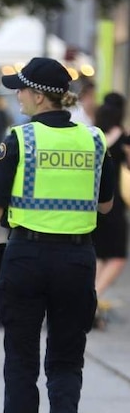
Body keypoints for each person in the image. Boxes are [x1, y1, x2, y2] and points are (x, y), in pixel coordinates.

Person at [0, 57, 114, 413]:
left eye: (22, 89)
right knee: (66, 361)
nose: (17, 96)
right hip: (76, 261)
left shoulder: (20, 140)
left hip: (27, 258)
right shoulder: (93, 139)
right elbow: (104, 206)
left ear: (41, 96)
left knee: (21, 365)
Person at [91, 92, 129, 328]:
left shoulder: (92, 136)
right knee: (116, 257)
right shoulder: (124, 139)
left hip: (91, 204)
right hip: (113, 205)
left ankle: (88, 297)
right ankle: (91, 298)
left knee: (97, 254)